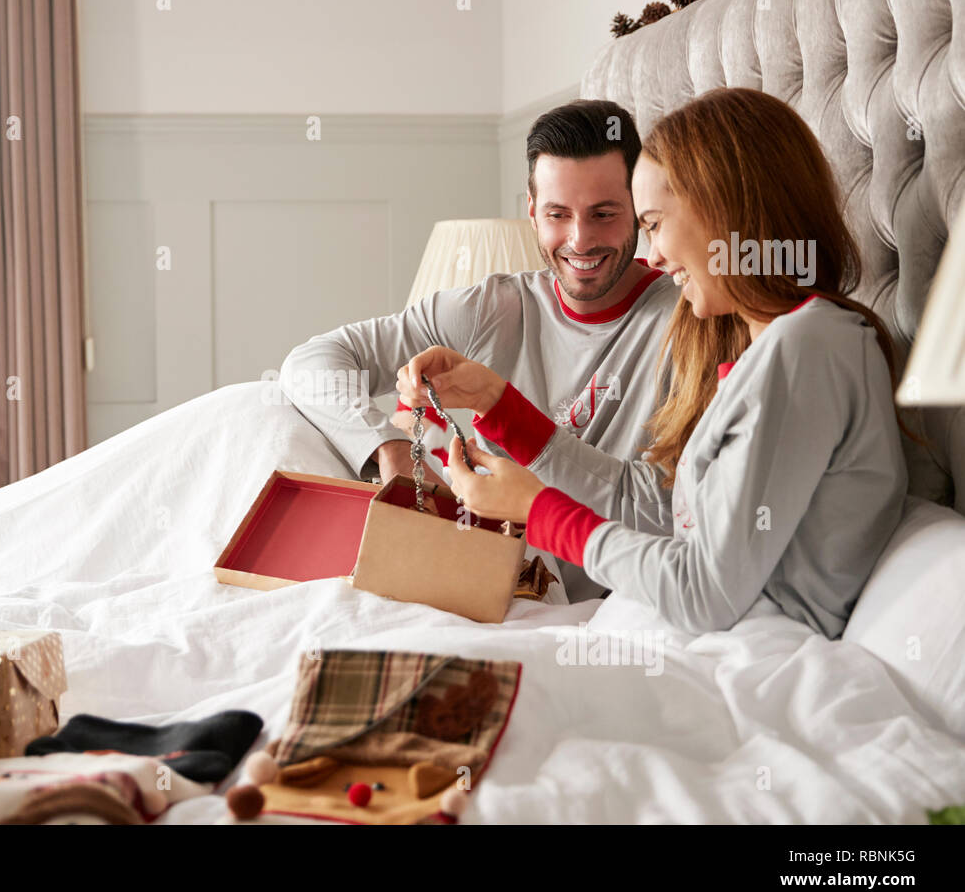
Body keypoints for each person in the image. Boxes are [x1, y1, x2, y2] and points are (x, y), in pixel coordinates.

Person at [398, 87, 909, 639]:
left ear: (723, 213)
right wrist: (497, 407)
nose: (656, 256)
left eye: (656, 223)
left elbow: (703, 592)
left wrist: (541, 514)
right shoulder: (778, 348)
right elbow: (656, 507)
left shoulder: (808, 350)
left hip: (747, 654)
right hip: (676, 634)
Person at [280, 99, 680, 603]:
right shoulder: (491, 307)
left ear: (639, 210)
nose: (581, 240)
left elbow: (670, 513)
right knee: (259, 413)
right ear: (532, 212)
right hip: (450, 577)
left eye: (604, 214)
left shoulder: (690, 321)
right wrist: (390, 448)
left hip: (567, 606)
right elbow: (313, 362)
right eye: (558, 214)